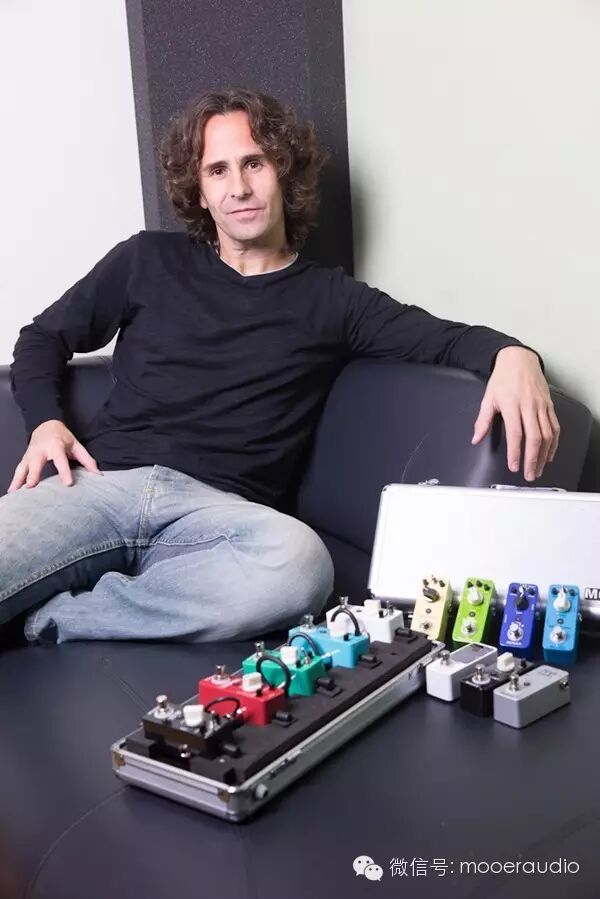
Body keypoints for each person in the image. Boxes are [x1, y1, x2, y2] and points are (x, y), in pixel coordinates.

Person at [0, 88, 560, 646]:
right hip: (99, 487)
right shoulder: (146, 259)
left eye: (254, 163)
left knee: (299, 566)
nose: (239, 187)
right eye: (217, 170)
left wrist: (514, 355)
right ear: (199, 190)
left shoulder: (334, 300)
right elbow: (43, 337)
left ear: (284, 173)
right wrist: (46, 422)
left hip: (216, 517)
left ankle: (55, 618)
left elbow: (446, 339)